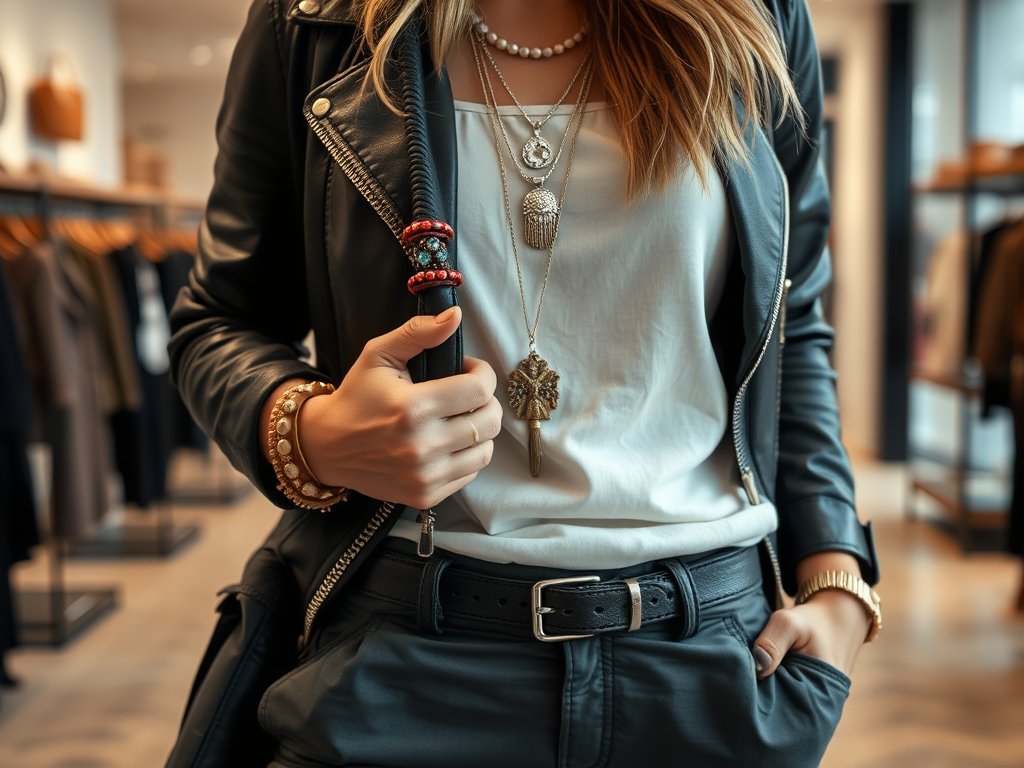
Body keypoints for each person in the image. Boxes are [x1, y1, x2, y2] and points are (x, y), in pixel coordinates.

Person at [168, 0, 882, 765]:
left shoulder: (755, 13)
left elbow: (791, 316)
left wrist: (837, 574)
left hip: (710, 663)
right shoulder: (315, 19)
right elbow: (217, 320)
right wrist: (309, 432)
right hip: (407, 651)